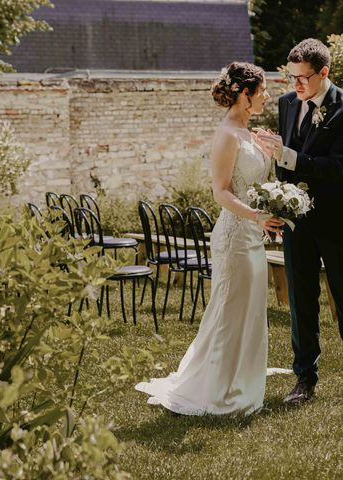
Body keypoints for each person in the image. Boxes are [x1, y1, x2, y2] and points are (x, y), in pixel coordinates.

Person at [135, 62, 284, 416]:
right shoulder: (228, 135)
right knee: (228, 311)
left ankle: (243, 383)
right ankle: (216, 391)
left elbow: (254, 186)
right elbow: (220, 192)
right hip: (234, 236)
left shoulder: (251, 134)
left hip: (253, 235)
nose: (267, 95)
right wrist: (256, 215)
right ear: (245, 95)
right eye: (262, 90)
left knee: (250, 312)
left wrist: (273, 182)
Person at [256, 38, 343, 401]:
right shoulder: (286, 102)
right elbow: (284, 165)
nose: (295, 85)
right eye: (290, 77)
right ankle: (304, 379)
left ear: (324, 72)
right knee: (300, 298)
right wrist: (277, 199)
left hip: (337, 217)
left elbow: (337, 168)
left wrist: (288, 155)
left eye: (302, 78)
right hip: (298, 220)